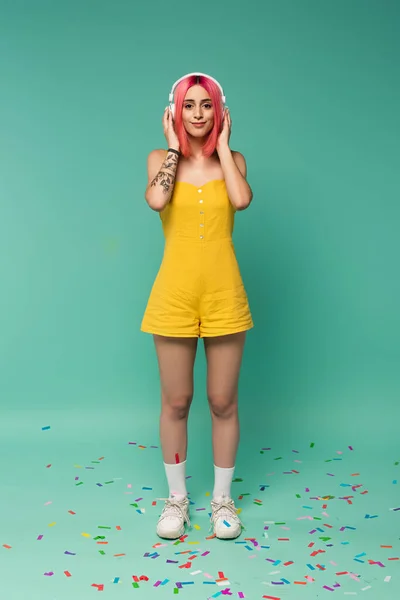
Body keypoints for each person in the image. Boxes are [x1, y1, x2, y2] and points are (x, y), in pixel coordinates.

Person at [141, 73, 254, 540]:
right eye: (189, 105)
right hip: (175, 294)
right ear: (176, 110)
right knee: (177, 401)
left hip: (224, 293)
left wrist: (224, 149)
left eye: (207, 105)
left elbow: (242, 200)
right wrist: (174, 148)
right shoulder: (159, 159)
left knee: (222, 401)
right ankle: (177, 501)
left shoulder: (236, 160)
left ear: (219, 110)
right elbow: (156, 199)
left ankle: (222, 501)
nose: (198, 114)